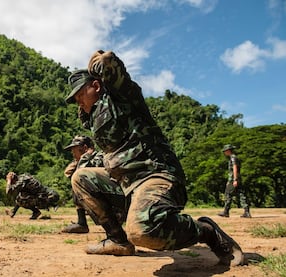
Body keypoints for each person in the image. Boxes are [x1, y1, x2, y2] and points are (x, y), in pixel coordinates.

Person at [64, 50, 245, 266]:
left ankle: (206, 231)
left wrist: (102, 64)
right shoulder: (94, 116)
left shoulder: (122, 98)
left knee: (142, 231)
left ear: (95, 86)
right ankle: (117, 241)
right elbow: (88, 118)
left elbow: (112, 67)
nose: (78, 102)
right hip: (126, 184)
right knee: (80, 178)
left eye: (80, 95)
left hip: (156, 176)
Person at [62, 135, 124, 233]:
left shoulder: (99, 156)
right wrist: (79, 160)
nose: (72, 153)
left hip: (116, 199)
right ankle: (81, 223)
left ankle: (113, 225)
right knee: (75, 185)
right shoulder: (84, 160)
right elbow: (68, 173)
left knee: (80, 180)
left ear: (85, 148)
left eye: (75, 150)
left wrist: (85, 156)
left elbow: (83, 174)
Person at [218, 144, 251, 218]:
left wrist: (234, 179)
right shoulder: (235, 157)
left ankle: (226, 211)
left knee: (228, 194)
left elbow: (234, 168)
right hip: (237, 178)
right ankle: (247, 212)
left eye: (225, 151)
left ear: (228, 151)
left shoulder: (233, 158)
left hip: (233, 179)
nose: (224, 152)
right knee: (242, 195)